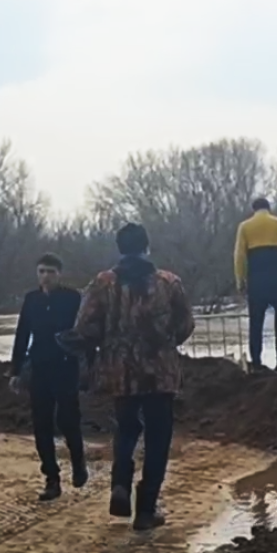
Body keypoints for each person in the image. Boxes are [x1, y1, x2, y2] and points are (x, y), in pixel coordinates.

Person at [66, 223, 195, 531]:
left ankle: (120, 483)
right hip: (160, 373)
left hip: (120, 372)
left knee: (125, 428)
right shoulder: (169, 282)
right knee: (158, 436)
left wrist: (104, 345)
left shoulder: (102, 283)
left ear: (120, 248)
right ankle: (147, 509)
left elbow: (85, 327)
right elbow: (186, 324)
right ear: (147, 247)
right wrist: (164, 346)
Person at [9, 253, 88, 501]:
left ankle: (78, 463)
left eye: (51, 272)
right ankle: (51, 478)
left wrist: (89, 363)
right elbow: (22, 335)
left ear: (59, 274)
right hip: (39, 368)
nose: (46, 276)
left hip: (66, 366)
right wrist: (16, 370)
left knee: (68, 420)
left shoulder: (72, 298)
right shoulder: (31, 300)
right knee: (41, 425)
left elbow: (86, 332)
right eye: (42, 271)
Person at [233, 198, 277, 371]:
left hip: (256, 280)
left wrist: (240, 280)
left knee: (256, 323)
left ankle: (256, 362)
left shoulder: (245, 227)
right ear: (269, 208)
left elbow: (239, 256)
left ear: (253, 209)